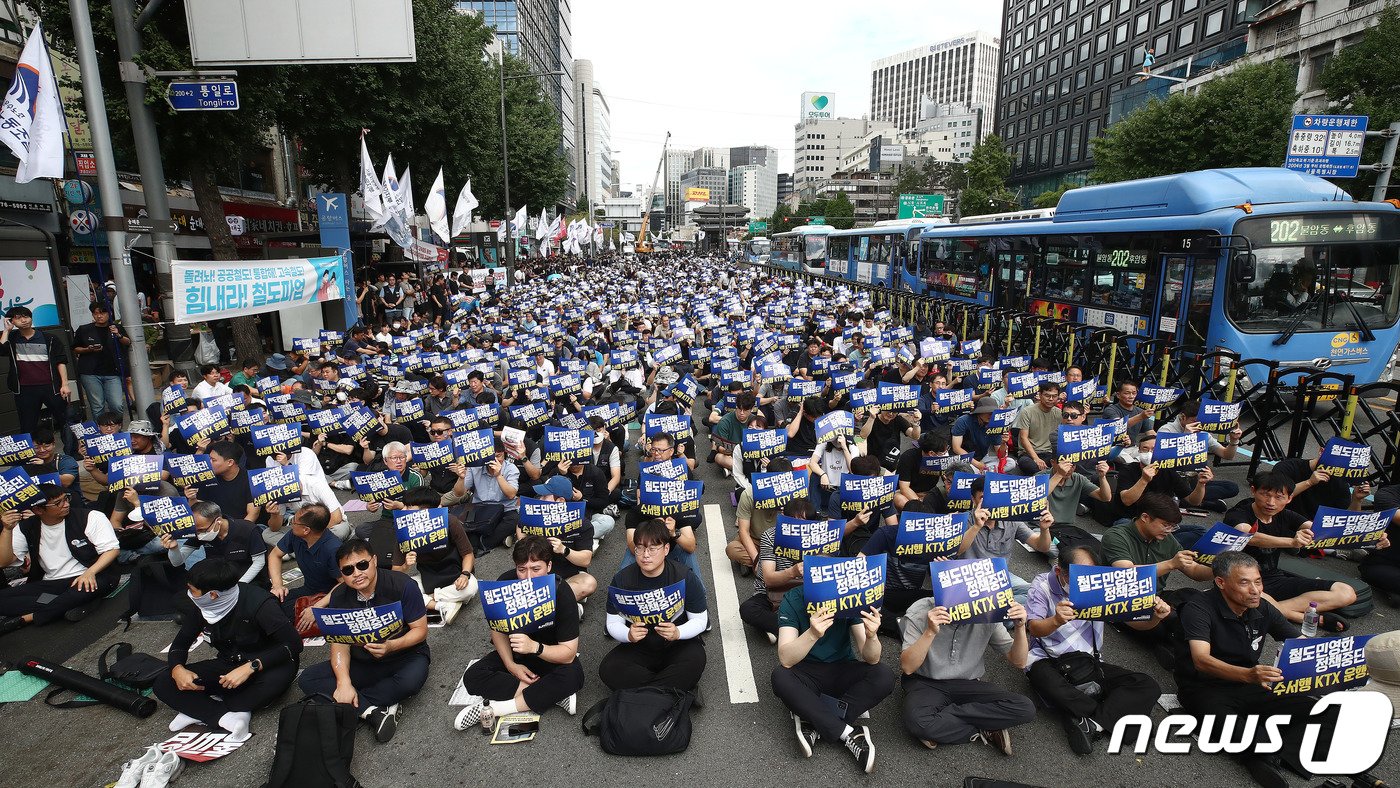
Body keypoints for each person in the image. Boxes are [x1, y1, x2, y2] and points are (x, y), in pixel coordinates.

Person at [1175, 552, 1321, 787]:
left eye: (1258, 581)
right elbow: (1201, 660)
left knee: (1321, 710)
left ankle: (1270, 754)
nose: (1255, 589)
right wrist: (1248, 675)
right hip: (1204, 688)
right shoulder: (1199, 607)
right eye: (1244, 582)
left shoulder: (1262, 606)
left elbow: (1299, 642)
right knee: (1242, 731)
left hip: (1251, 685)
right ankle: (1261, 750)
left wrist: (1340, 660)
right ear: (1221, 582)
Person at [1026, 546, 1168, 754]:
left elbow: (1135, 624)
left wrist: (1155, 616)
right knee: (1047, 682)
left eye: (1091, 575)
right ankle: (1123, 718)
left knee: (1148, 685)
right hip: (1047, 659)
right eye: (1080, 576)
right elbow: (1034, 628)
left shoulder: (1101, 587)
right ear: (1060, 572)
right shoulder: (1041, 586)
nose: (1087, 582)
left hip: (1088, 661)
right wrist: (1056, 620)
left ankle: (1093, 724)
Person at [297, 538, 430, 743]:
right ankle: (372, 712)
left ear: (374, 560)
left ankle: (345, 705)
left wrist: (391, 645)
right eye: (348, 570)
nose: (357, 574)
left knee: (409, 683)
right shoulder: (339, 596)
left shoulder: (403, 585)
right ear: (341, 573)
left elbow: (420, 631)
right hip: (363, 660)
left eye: (362, 565)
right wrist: (343, 682)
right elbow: (339, 644)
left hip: (405, 655)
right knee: (308, 678)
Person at [155, 558, 301, 743]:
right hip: (229, 664)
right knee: (163, 682)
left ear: (213, 595)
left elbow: (294, 645)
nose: (189, 594)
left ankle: (200, 708)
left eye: (192, 590)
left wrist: (251, 667)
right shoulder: (202, 605)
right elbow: (180, 644)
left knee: (264, 690)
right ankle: (224, 715)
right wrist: (177, 669)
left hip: (268, 664)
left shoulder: (260, 604)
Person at [457, 536, 585, 730]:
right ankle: (551, 695)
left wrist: (534, 647)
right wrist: (511, 665)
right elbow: (497, 631)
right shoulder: (505, 582)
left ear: (549, 566)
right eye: (521, 570)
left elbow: (568, 654)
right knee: (473, 676)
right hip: (517, 655)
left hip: (550, 655)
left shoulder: (562, 591)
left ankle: (497, 708)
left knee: (574, 675)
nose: (528, 578)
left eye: (536, 569)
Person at [899, 588, 1036, 755]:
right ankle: (986, 726)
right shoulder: (920, 610)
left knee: (1025, 708)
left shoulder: (988, 611)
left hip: (968, 683)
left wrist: (1020, 627)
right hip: (926, 681)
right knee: (919, 722)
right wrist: (930, 632)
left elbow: (1020, 661)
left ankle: (947, 723)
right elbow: (907, 667)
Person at [772, 585, 891, 773]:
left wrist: (872, 636)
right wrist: (812, 634)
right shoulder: (793, 599)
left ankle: (813, 720)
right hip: (806, 674)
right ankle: (849, 733)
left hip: (842, 669)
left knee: (884, 675)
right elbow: (786, 659)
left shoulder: (848, 596)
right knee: (780, 677)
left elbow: (871, 658)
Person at [1222, 472, 1361, 630]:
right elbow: (1248, 536)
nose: (1271, 502)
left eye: (1279, 497)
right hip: (1241, 581)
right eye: (1265, 495)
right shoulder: (1239, 513)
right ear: (1253, 491)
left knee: (1346, 593)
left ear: (1289, 498)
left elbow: (1323, 529)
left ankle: (1276, 611)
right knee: (1251, 597)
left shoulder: (1285, 515)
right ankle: (1306, 618)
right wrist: (1291, 542)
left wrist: (1372, 537)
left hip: (1274, 579)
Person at [599, 518, 708, 691]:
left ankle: (647, 693)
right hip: (640, 646)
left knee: (695, 660)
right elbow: (612, 623)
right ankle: (674, 692)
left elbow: (701, 620)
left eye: (652, 548)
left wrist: (679, 632)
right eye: (640, 548)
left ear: (666, 549)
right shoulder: (622, 579)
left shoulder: (684, 576)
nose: (645, 555)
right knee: (608, 669)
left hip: (676, 644)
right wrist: (628, 635)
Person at [0, 484, 119, 634]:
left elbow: (112, 550)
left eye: (66, 499)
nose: (66, 504)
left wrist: (90, 572)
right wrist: (7, 529)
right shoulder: (26, 526)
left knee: (83, 590)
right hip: (52, 582)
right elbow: (4, 562)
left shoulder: (90, 516)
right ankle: (68, 604)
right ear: (38, 510)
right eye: (58, 503)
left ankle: (28, 617)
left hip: (93, 575)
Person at [0, 305, 71, 437]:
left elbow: (61, 362)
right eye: (18, 318)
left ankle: (72, 451)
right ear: (12, 321)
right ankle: (29, 456)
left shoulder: (49, 338)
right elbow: (1, 350)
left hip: (51, 387)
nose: (24, 320)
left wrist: (65, 384)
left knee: (65, 421)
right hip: (25, 390)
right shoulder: (12, 338)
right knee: (27, 426)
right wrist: (6, 330)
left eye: (26, 316)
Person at [267, 503, 343, 627]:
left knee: (285, 618)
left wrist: (317, 607)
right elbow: (274, 555)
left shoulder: (332, 549)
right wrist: (277, 585)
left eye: (294, 522)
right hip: (309, 589)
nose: (291, 524)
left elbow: (344, 583)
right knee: (270, 603)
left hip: (331, 596)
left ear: (306, 530)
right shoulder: (295, 535)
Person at [160, 500, 268, 584]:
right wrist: (173, 549)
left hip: (248, 579)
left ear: (218, 521)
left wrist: (239, 585)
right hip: (218, 580)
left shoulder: (247, 529)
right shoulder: (199, 532)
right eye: (195, 530)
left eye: (203, 530)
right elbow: (177, 562)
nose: (198, 534)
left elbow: (259, 562)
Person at [73, 302, 131, 421]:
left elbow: (128, 342)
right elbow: (75, 348)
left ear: (109, 313)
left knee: (117, 405)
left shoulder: (116, 327)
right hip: (90, 373)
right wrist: (87, 349)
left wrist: (118, 335)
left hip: (113, 372)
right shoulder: (84, 329)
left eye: (102, 313)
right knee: (97, 406)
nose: (99, 316)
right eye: (95, 313)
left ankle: (117, 430)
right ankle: (102, 432)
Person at [1013, 381, 1063, 475]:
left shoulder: (1059, 413)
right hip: (1029, 453)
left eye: (1054, 396)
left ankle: (1048, 476)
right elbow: (1024, 438)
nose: (1051, 399)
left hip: (1050, 453)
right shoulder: (1027, 412)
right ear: (1040, 395)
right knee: (1027, 464)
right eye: (1047, 395)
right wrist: (1036, 458)